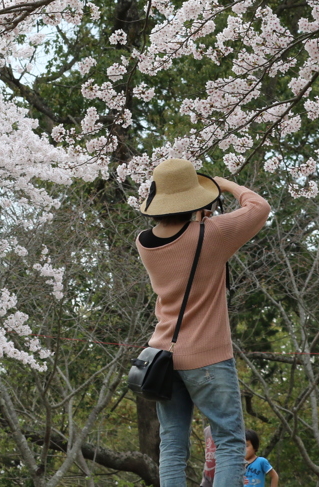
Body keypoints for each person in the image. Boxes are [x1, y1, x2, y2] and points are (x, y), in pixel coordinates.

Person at [136, 158, 270, 487]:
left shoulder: (145, 242)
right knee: (229, 442)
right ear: (194, 198)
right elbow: (259, 206)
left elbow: (182, 243)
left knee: (172, 446)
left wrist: (199, 218)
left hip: (163, 356)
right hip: (208, 357)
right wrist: (226, 185)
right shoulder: (211, 234)